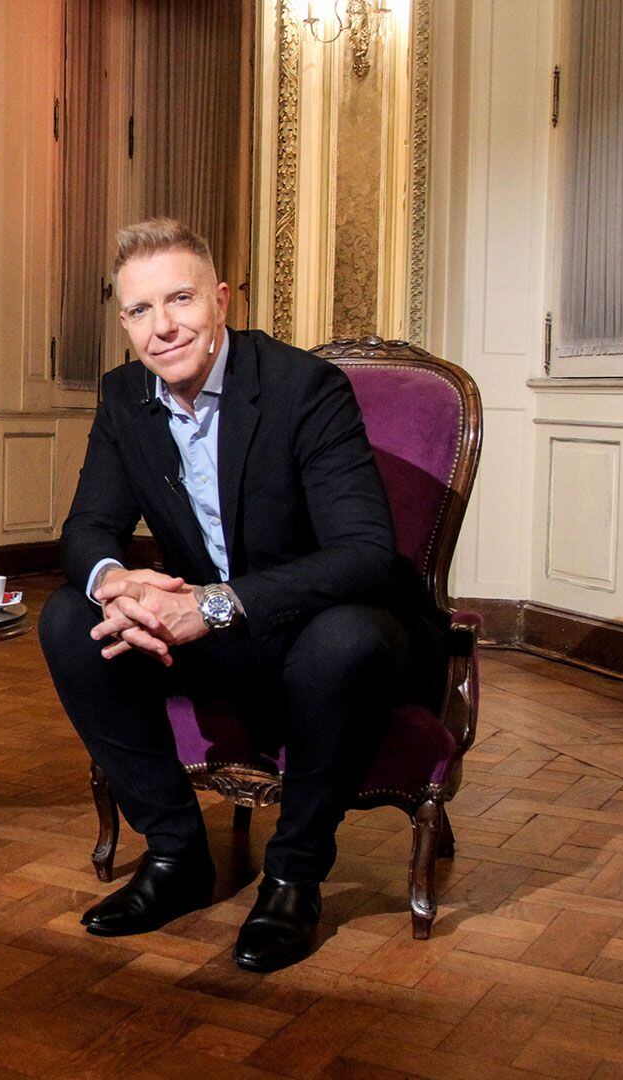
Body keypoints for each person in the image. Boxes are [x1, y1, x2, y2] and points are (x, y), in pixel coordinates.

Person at [39, 218, 445, 973]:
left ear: (221, 300)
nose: (163, 328)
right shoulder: (125, 396)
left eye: (181, 299)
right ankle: (175, 856)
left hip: (334, 626)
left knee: (343, 639)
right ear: (125, 324)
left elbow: (364, 555)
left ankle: (293, 876)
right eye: (140, 310)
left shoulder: (303, 388)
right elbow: (87, 529)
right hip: (222, 638)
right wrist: (117, 582)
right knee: (70, 618)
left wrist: (211, 604)